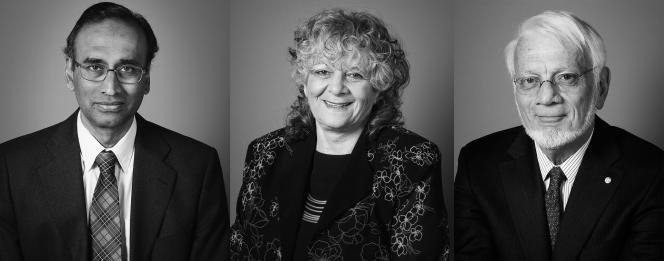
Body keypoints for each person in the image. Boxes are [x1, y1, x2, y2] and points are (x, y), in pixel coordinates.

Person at [0, 2, 229, 260]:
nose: (111, 88)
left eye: (128, 69)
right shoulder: (10, 167)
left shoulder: (198, 168)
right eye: (95, 67)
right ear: (69, 72)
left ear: (147, 78)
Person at [230, 9, 448, 260]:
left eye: (355, 75)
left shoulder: (412, 159)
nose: (336, 88)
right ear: (304, 80)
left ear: (378, 86)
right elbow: (240, 250)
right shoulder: (265, 153)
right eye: (322, 72)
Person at [455, 10, 664, 260]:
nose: (546, 98)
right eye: (529, 80)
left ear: (601, 87)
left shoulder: (651, 173)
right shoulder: (477, 164)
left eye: (566, 77)